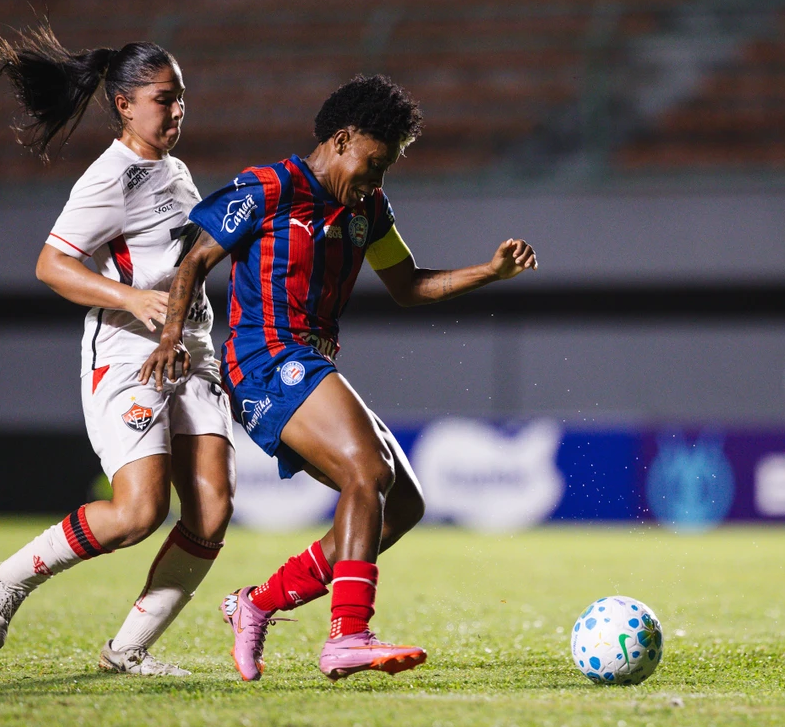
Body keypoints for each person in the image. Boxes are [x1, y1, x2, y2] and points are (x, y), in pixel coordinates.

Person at [140, 74, 537, 682]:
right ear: (342, 139)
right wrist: (172, 340)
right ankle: (348, 636)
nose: (378, 182)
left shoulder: (368, 210)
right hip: (266, 361)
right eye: (374, 164)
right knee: (368, 472)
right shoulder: (270, 187)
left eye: (387, 171)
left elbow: (408, 286)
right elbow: (195, 260)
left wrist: (489, 271)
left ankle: (258, 603)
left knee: (402, 503)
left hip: (310, 364)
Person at [0, 23, 234, 676]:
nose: (176, 110)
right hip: (128, 351)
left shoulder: (170, 167)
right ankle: (8, 579)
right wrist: (131, 300)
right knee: (139, 512)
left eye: (181, 97)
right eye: (163, 98)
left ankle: (127, 651)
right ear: (125, 104)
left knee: (212, 509)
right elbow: (52, 264)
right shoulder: (111, 177)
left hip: (190, 350)